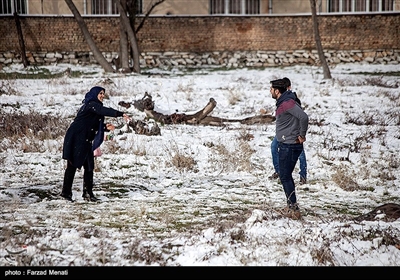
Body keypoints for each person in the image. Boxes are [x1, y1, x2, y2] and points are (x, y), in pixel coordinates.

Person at [61, 86, 129, 202]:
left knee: (89, 166)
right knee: (72, 165)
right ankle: (66, 194)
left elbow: (92, 124)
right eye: (100, 93)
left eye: (103, 93)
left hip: (85, 139)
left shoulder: (95, 108)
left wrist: (105, 127)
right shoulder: (91, 104)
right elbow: (103, 111)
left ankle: (88, 194)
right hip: (76, 138)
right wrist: (120, 114)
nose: (102, 95)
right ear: (94, 94)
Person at [270, 78, 309, 219]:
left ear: (277, 91)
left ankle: (294, 209)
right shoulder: (286, 101)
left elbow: (303, 117)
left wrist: (302, 135)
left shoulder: (287, 103)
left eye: (271, 89)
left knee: (285, 177)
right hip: (287, 143)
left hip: (289, 145)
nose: (270, 92)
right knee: (286, 177)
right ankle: (291, 205)